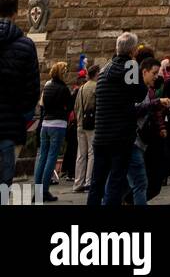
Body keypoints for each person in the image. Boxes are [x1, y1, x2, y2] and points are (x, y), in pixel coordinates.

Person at [87, 31, 146, 208]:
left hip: (102, 136)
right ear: (132, 50)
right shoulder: (130, 67)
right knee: (116, 180)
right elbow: (139, 94)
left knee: (97, 182)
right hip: (120, 136)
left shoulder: (106, 68)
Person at [0, 0, 40, 187]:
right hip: (9, 129)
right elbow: (32, 91)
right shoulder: (26, 45)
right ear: (16, 12)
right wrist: (20, 119)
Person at [126, 54, 170, 205]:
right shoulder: (137, 89)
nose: (156, 77)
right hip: (134, 141)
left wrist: (161, 126)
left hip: (141, 141)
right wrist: (158, 102)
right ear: (144, 72)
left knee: (132, 182)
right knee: (140, 183)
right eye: (154, 73)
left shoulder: (147, 90)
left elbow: (151, 110)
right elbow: (135, 110)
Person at [33, 62, 73, 202]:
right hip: (58, 124)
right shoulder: (63, 89)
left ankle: (37, 192)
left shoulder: (47, 86)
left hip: (45, 124)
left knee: (42, 157)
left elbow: (42, 105)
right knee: (51, 157)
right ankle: (44, 191)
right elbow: (69, 107)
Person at [73, 63, 100, 192]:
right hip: (92, 124)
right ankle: (88, 182)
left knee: (81, 155)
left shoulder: (82, 88)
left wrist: (79, 121)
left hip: (80, 123)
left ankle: (78, 183)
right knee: (91, 153)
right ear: (97, 74)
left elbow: (77, 106)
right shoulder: (97, 87)